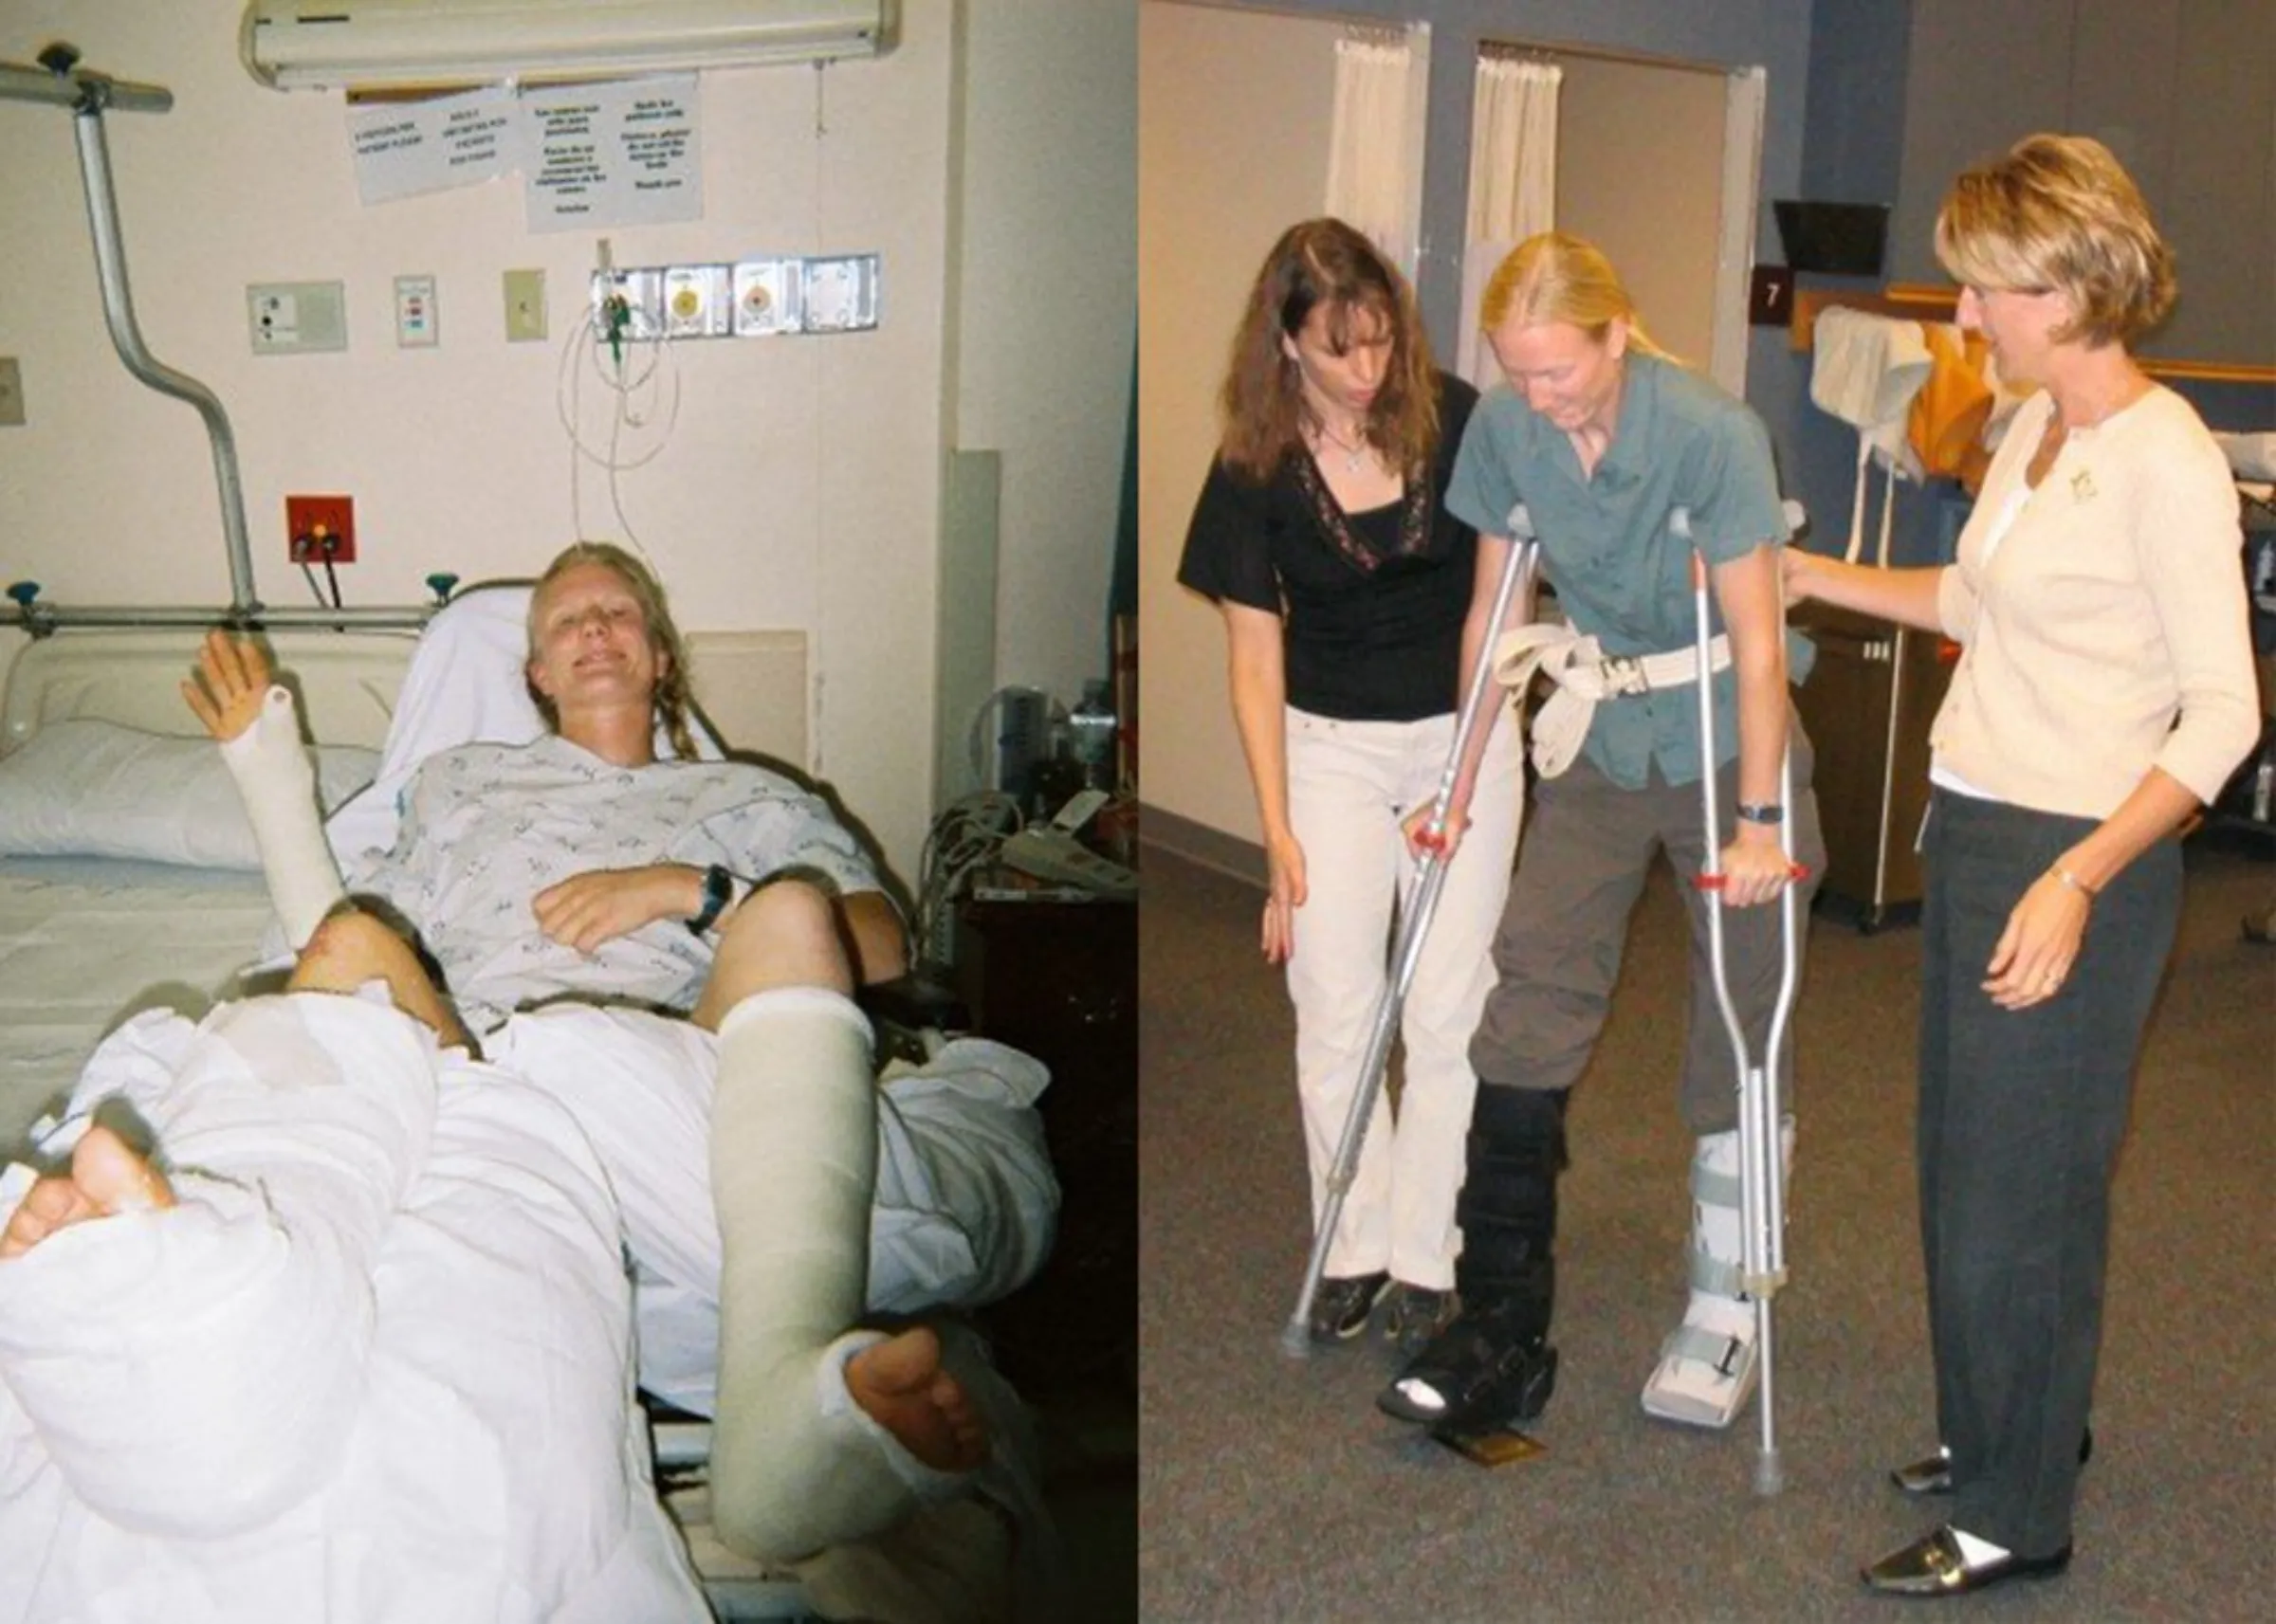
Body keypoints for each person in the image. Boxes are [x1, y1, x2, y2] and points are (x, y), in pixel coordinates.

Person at [178, 542, 1057, 1569]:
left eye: (620, 615)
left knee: (782, 917)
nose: (595, 630)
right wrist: (270, 781)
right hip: (475, 1063)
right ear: (537, 676)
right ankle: (789, 1418)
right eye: (566, 622)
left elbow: (880, 944)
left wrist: (689, 890)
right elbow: (351, 948)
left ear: (661, 658)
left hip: (690, 1068)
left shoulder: (752, 797)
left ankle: (774, 1409)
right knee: (337, 957)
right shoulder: (459, 786)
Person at [1783, 135, 2257, 1597]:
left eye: (1985, 291)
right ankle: (2010, 1426)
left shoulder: (2166, 460)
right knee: (1964, 1172)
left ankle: (2015, 1510)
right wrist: (1803, 573)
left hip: (2079, 862)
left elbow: (2227, 713)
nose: (1964, 320)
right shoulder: (2032, 433)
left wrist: (2082, 878)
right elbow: (1969, 601)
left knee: (2021, 1194)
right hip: (1980, 828)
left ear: (2065, 287)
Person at [1377, 231, 1826, 1436]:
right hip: (1603, 736)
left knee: (1740, 1010)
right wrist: (1458, 784)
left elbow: (1765, 644)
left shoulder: (1712, 434)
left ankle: (1727, 1307)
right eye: (1518, 373)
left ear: (1616, 335)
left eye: (1559, 372)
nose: (1537, 395)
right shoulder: (1510, 431)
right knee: (1526, 999)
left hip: (1732, 735)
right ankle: (1499, 1324)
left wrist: (1761, 819)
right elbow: (1492, 607)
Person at [1, 907, 716, 1620]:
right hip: (454, 1050)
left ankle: (170, 1327)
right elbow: (348, 937)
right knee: (475, 1354)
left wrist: (704, 894)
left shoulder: (755, 812)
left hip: (546, 1040)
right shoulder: (442, 797)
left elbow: (802, 936)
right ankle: (177, 1334)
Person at [1175, 218, 1525, 1354]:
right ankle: (1354, 1240)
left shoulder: (1458, 417)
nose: (1368, 370)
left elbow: (1499, 601)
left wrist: (1465, 770)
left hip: (1462, 734)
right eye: (1339, 350)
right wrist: (1275, 832)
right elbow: (1253, 659)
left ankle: (1428, 1254)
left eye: (1379, 341)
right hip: (1327, 746)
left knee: (1446, 1003)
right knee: (1335, 1005)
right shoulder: (1252, 469)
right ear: (1286, 346)